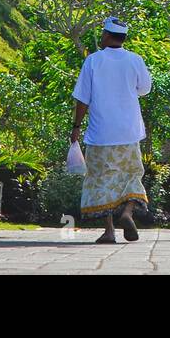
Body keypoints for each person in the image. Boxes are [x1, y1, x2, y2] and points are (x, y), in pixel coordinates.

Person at [70, 17, 153, 244]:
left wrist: (76, 126)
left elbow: (82, 98)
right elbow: (144, 89)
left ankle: (109, 231)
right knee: (131, 174)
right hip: (129, 132)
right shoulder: (135, 60)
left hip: (101, 134)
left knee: (101, 179)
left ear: (106, 36)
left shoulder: (93, 61)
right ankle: (127, 213)